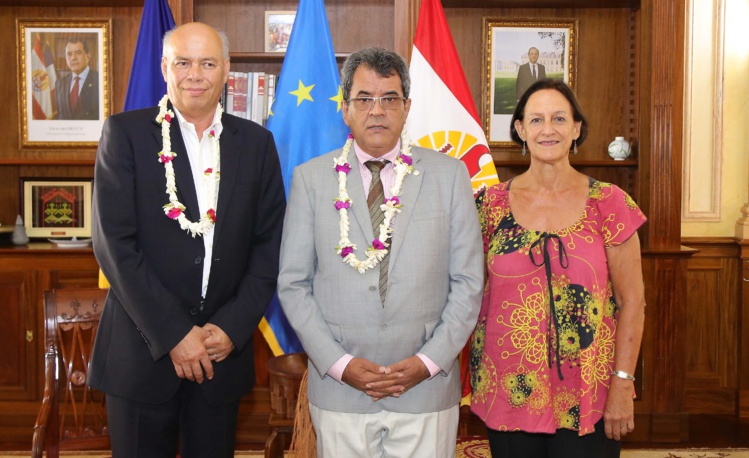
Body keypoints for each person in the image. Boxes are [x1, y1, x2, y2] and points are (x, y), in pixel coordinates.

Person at [89, 22, 285, 457]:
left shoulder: (256, 144)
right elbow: (114, 246)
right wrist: (176, 334)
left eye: (208, 62)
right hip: (141, 358)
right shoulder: (125, 135)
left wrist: (232, 328)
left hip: (221, 356)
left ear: (227, 70)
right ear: (164, 68)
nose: (195, 74)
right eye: (183, 62)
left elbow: (269, 248)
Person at [277, 47, 484, 457]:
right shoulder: (311, 179)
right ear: (345, 108)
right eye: (364, 99)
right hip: (340, 387)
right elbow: (293, 285)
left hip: (425, 386)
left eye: (389, 98)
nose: (377, 111)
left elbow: (468, 282)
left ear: (407, 108)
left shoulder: (448, 175)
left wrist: (428, 361)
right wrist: (339, 363)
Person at [470, 78, 647, 457]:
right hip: (509, 390)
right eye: (535, 120)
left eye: (559, 119)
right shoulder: (488, 205)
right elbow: (465, 292)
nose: (547, 129)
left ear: (576, 128)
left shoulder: (610, 202)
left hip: (591, 392)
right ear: (519, 129)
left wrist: (622, 384)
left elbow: (632, 302)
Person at [55, 37, 99, 120]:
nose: (73, 58)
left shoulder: (100, 81)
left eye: (78, 53)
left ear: (88, 56)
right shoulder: (60, 83)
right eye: (69, 54)